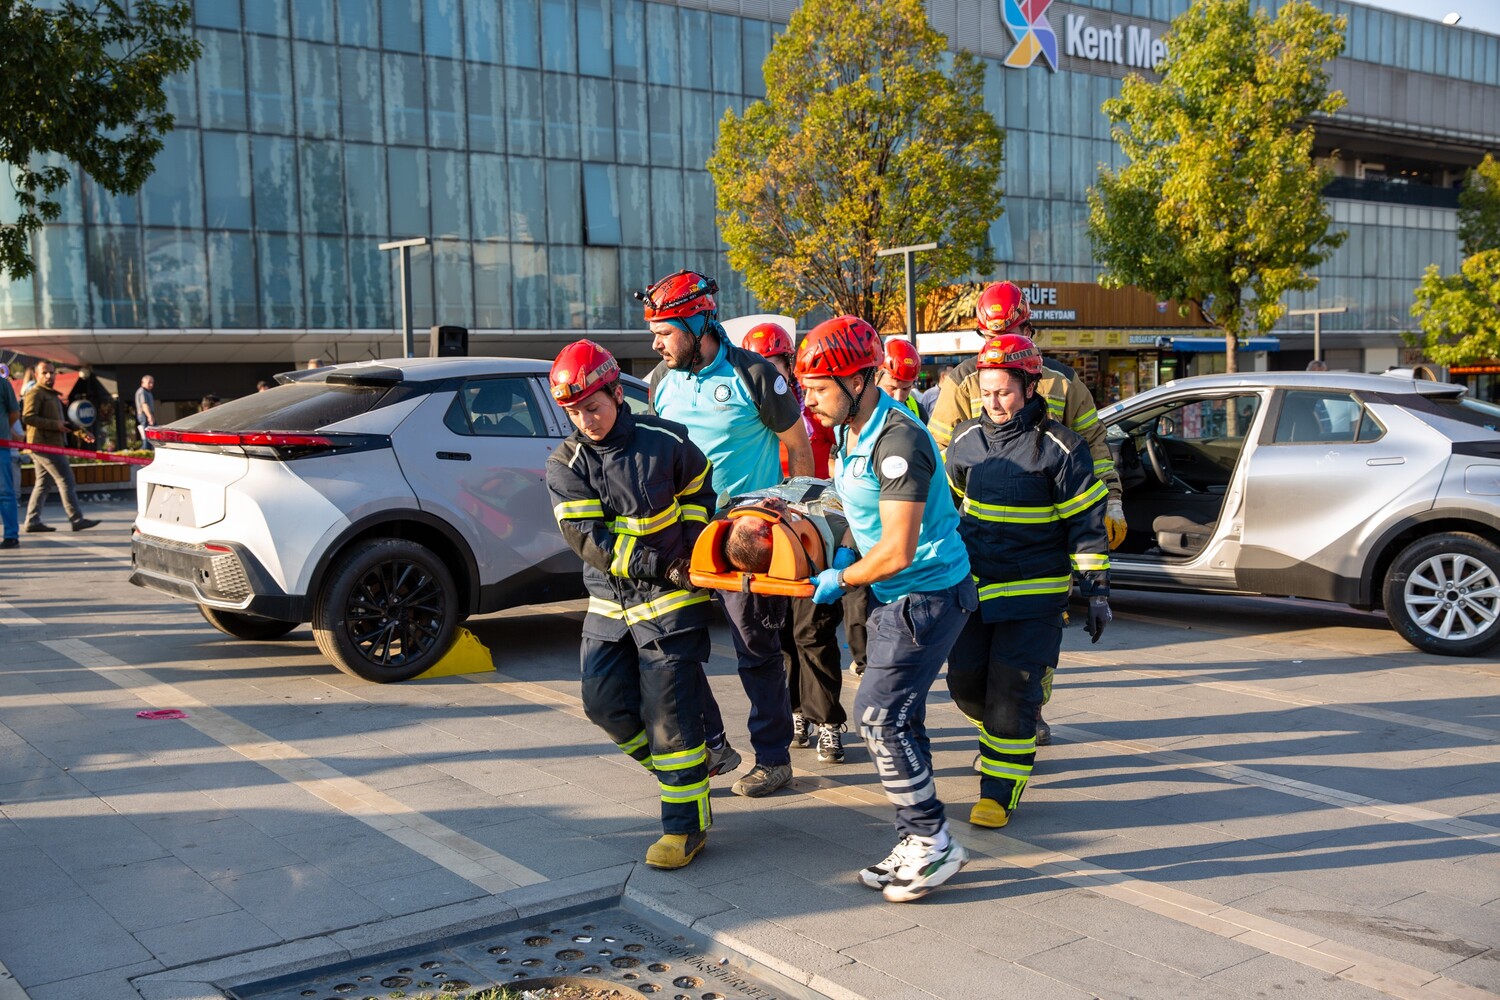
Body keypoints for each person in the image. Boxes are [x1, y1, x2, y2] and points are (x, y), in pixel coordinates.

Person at [798, 315, 977, 903]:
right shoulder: (850, 432)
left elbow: (898, 549)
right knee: (902, 717)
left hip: (927, 594)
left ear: (858, 379)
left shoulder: (897, 440)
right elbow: (857, 510)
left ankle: (932, 839)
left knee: (876, 716)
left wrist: (840, 576)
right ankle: (916, 839)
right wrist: (845, 545)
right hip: (892, 596)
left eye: (819, 389)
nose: (810, 400)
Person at [544, 340, 717, 870]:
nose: (584, 420)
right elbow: (590, 539)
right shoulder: (564, 463)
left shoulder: (666, 440)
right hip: (611, 598)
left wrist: (691, 544)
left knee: (670, 715)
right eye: (573, 412)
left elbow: (699, 490)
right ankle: (683, 777)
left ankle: (685, 826)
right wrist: (661, 564)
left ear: (618, 394)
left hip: (672, 601)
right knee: (603, 704)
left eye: (592, 407)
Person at [928, 280, 1124, 745]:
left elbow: (1092, 445)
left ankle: (1026, 705)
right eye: (989, 337)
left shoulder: (1061, 379)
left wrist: (1110, 498)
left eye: (1009, 333)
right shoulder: (962, 380)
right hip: (984, 531)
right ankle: (1002, 717)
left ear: (1028, 326)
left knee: (1033, 635)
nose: (996, 347)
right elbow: (940, 450)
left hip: (1045, 524)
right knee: (973, 664)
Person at [644, 270, 814, 798]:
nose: (657, 343)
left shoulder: (756, 374)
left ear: (698, 323)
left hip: (744, 535)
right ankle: (715, 744)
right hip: (683, 533)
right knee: (673, 645)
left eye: (665, 331)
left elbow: (801, 449)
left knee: (754, 650)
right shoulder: (659, 381)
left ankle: (773, 758)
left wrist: (791, 518)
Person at [944, 332, 1111, 830]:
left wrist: (1096, 591)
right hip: (976, 590)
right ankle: (1002, 723)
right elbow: (950, 508)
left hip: (1035, 594)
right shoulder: (965, 441)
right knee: (965, 682)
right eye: (986, 392)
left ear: (1030, 387)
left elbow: (1086, 523)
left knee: (1011, 694)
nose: (994, 402)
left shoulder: (1062, 448)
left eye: (1005, 392)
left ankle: (999, 791)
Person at [741, 321, 848, 763]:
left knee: (814, 630)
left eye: (776, 363)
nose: (769, 372)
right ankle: (796, 710)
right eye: (760, 364)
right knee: (780, 633)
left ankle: (829, 722)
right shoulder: (750, 419)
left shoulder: (818, 412)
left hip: (817, 531)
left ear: (789, 365)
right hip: (770, 534)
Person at [22, 361, 99, 533]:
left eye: (51, 372)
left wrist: (81, 432)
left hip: (50, 444)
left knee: (43, 484)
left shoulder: (51, 395)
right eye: (44, 373)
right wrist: (55, 425)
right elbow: (28, 417)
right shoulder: (35, 393)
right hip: (43, 445)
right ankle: (76, 519)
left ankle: (32, 521)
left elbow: (64, 422)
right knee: (66, 480)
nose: (49, 376)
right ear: (37, 375)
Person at [878, 339, 929, 423]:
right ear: (875, 378)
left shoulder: (919, 412)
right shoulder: (858, 411)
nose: (898, 398)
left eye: (906, 389)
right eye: (892, 388)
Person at [0, 373, 20, 549]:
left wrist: (4, 428)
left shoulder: (3, 384)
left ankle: (11, 534)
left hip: (1, 446)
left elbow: (14, 413)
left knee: (5, 491)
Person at [135, 375, 157, 450]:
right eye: (149, 383)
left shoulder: (148, 392)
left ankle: (149, 448)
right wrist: (149, 416)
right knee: (147, 433)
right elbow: (144, 405)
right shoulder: (142, 391)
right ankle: (145, 449)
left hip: (148, 414)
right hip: (144, 415)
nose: (151, 385)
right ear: (143, 382)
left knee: (152, 432)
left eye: (152, 383)